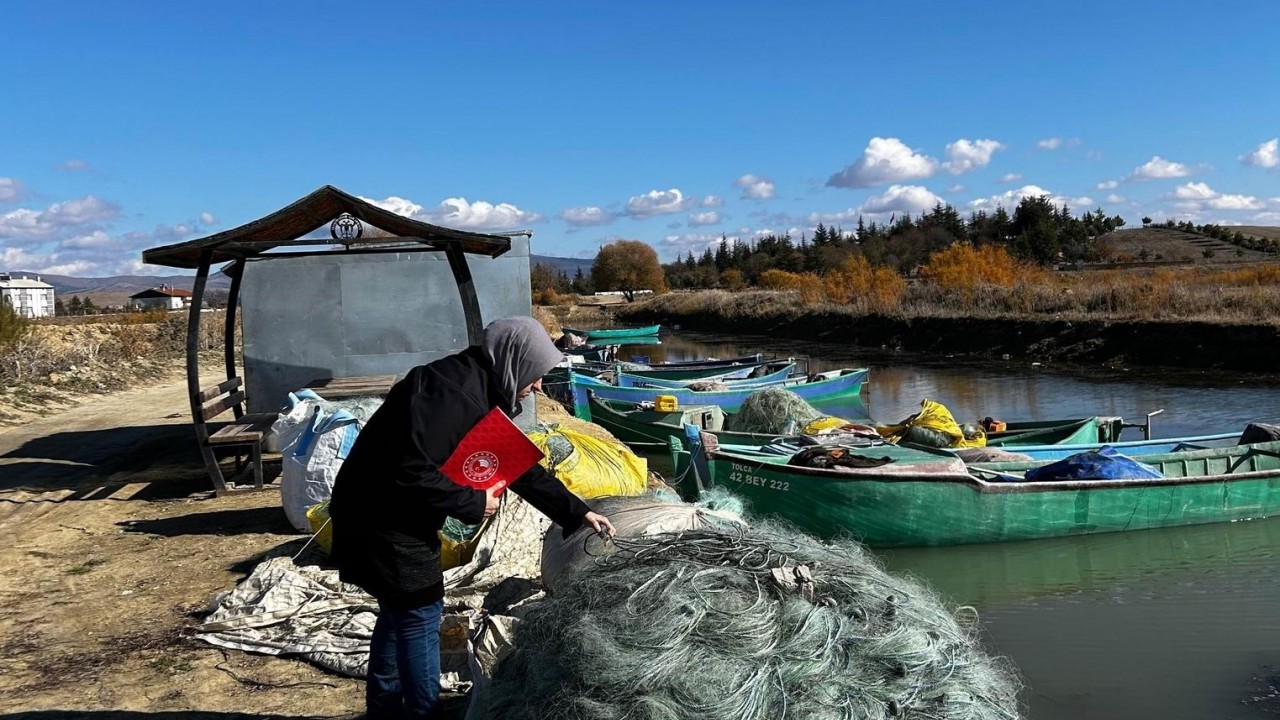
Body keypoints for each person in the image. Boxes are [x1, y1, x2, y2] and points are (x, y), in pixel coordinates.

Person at [329, 316, 615, 720]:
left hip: (388, 515)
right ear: (516, 360)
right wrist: (472, 501)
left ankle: (385, 712)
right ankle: (422, 714)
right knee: (419, 616)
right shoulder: (453, 395)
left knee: (398, 618)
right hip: (381, 523)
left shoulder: (478, 385)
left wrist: (577, 511)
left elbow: (515, 466)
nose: (536, 386)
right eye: (535, 375)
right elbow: (409, 469)